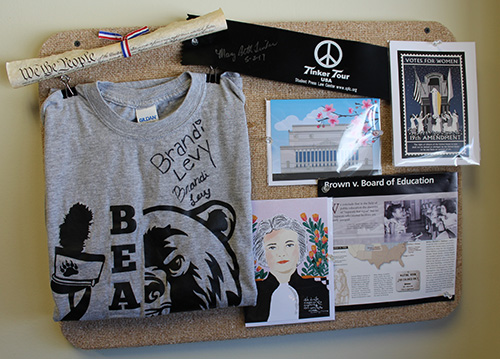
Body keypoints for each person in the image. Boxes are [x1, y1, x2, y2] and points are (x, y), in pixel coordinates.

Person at [245, 214, 330, 323]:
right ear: (262, 253)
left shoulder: (317, 288)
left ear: (301, 248)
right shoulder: (254, 291)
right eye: (272, 247)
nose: (282, 254)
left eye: (289, 245)